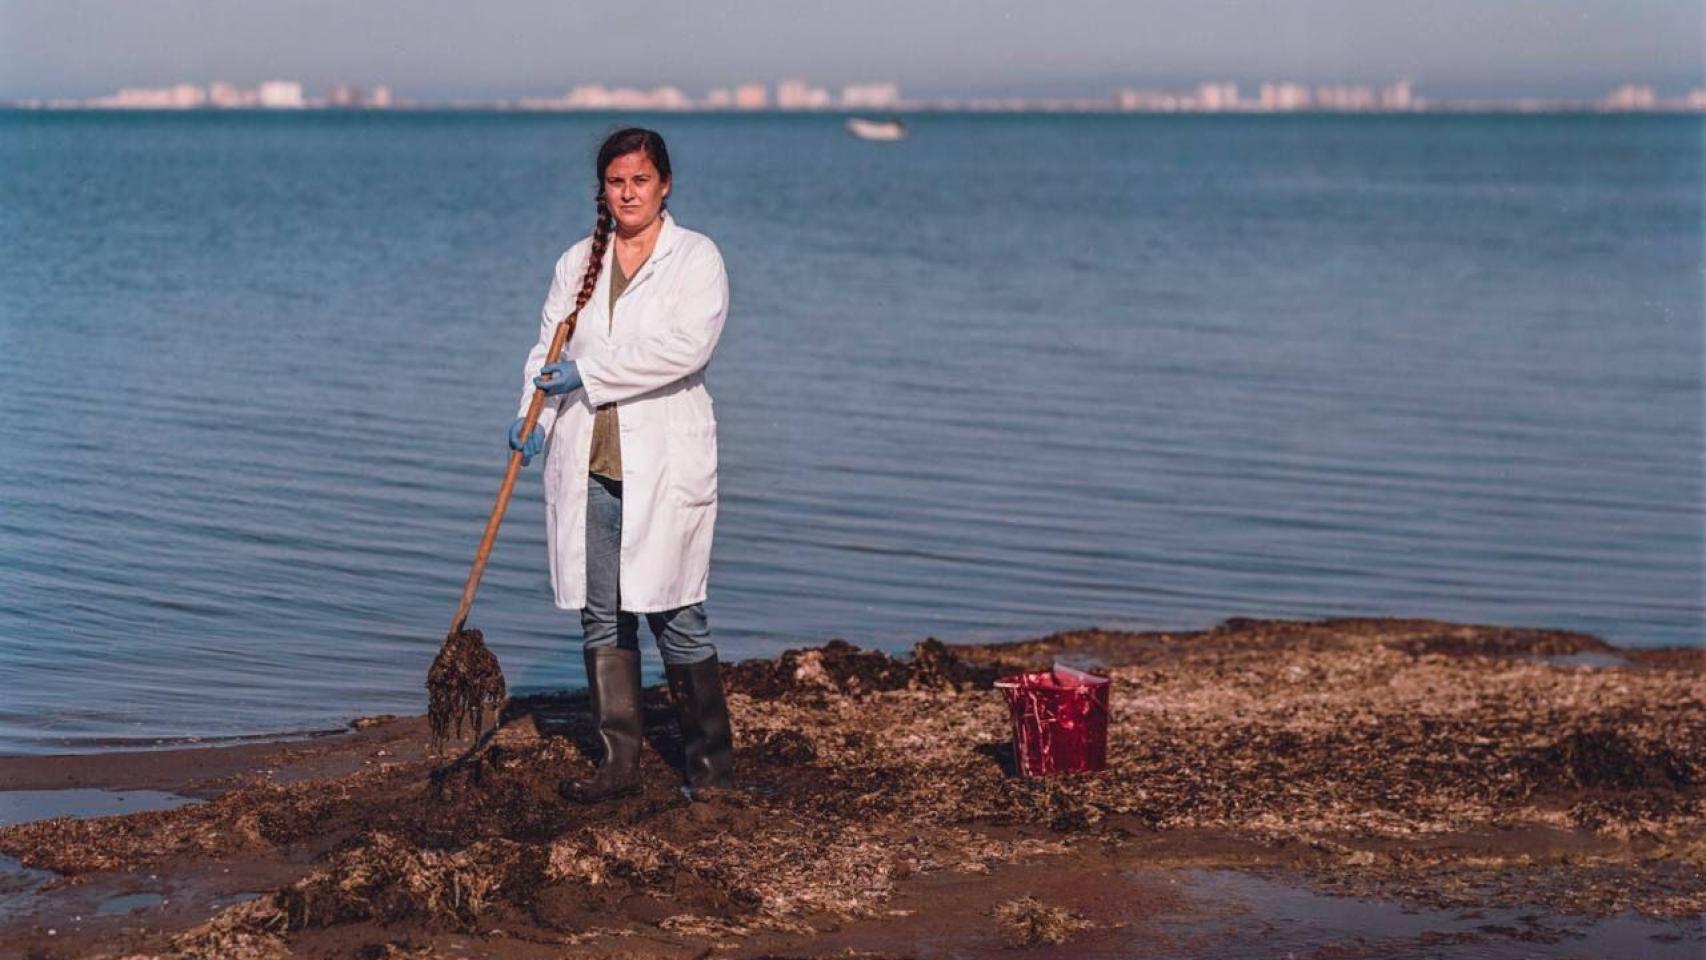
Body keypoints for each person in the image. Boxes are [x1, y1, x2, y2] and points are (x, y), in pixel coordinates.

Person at [508, 127, 732, 803]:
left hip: (664, 462)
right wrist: (534, 416)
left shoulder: (696, 258)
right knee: (600, 615)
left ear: (665, 184)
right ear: (601, 190)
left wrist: (589, 371)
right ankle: (618, 765)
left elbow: (685, 350)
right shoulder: (578, 261)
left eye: (640, 180)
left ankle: (712, 772)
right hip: (592, 463)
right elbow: (548, 350)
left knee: (675, 611)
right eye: (615, 181)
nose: (628, 193)